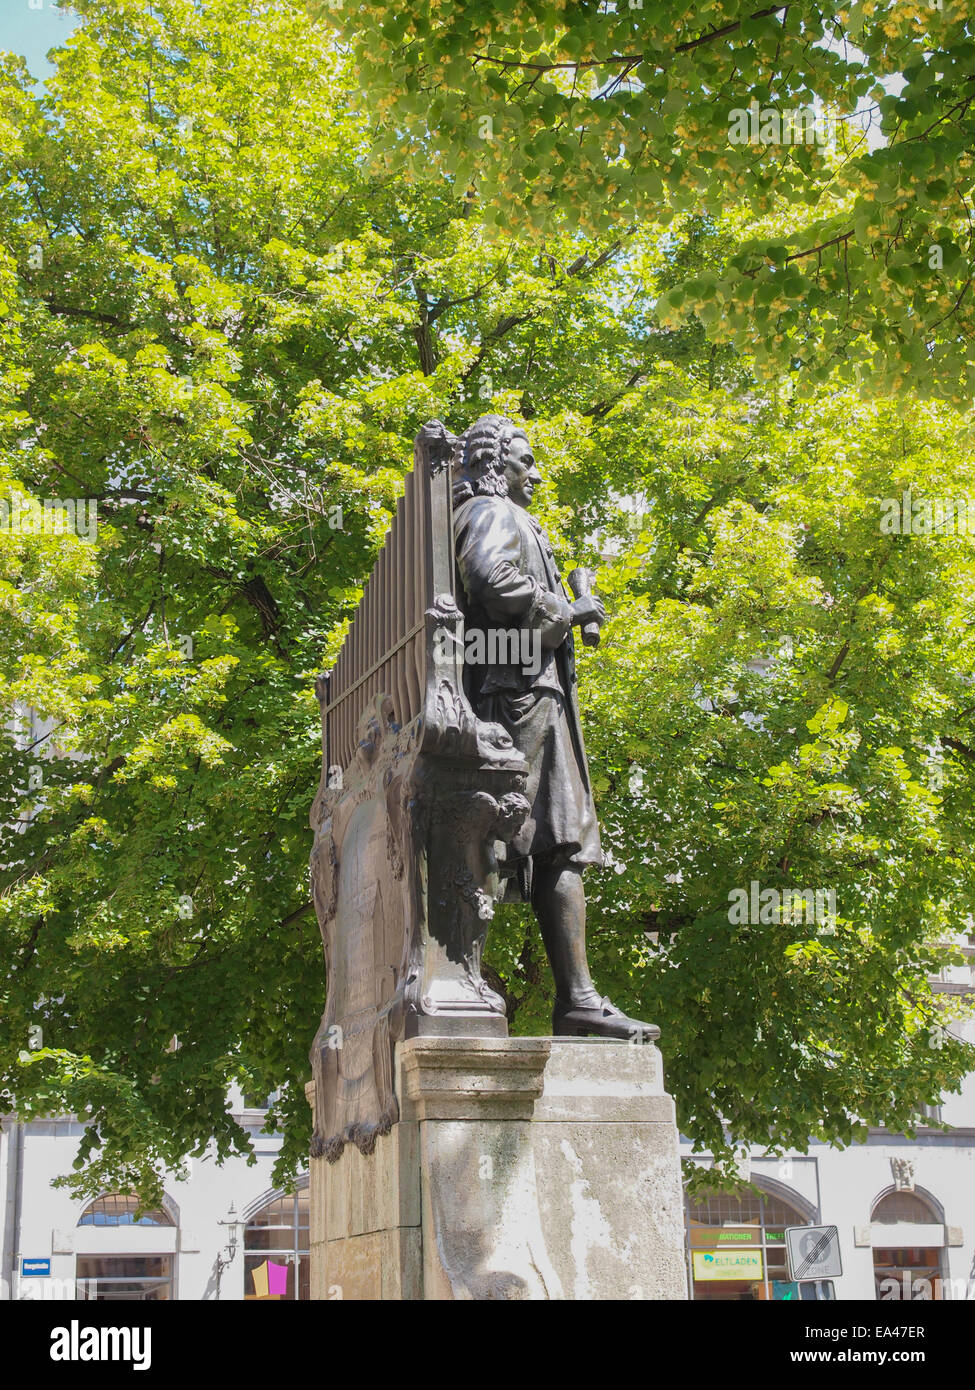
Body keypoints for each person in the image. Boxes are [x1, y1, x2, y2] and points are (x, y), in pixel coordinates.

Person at [452, 414, 657, 1041]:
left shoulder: (508, 513)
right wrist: (567, 610)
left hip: (533, 693)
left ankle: (577, 1000)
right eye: (524, 460)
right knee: (513, 833)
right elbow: (490, 576)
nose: (535, 473)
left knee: (560, 839)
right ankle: (468, 982)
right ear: (495, 463)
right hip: (517, 697)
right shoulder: (491, 511)